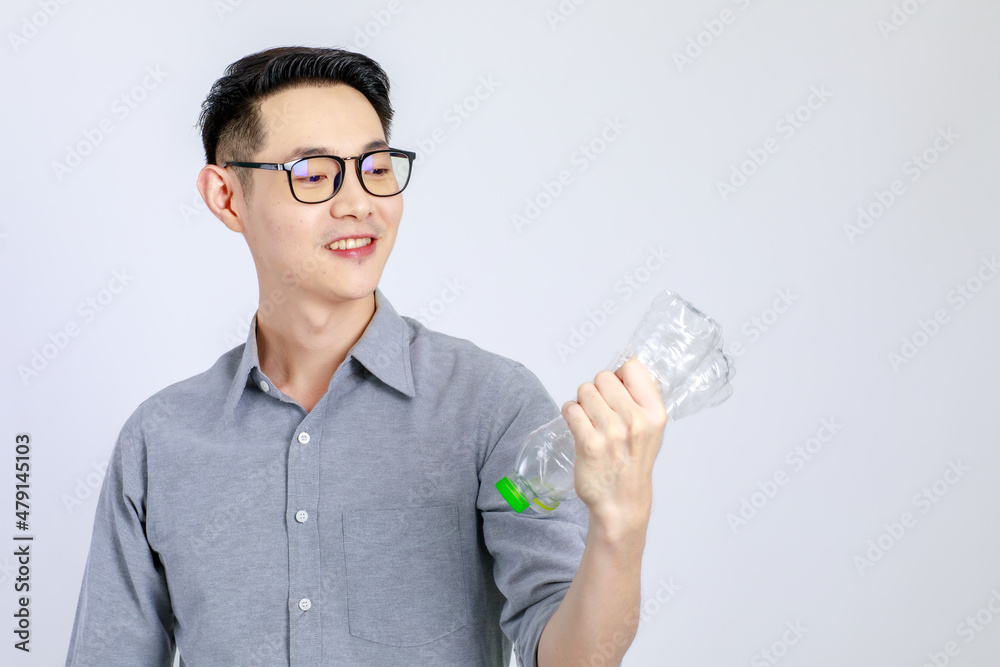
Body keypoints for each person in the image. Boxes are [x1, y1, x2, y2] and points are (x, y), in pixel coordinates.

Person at [65, 46, 667, 667]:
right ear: (226, 196)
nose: (359, 202)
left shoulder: (491, 408)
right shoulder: (160, 440)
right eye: (314, 174)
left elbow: (569, 657)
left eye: (376, 167)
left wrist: (621, 524)